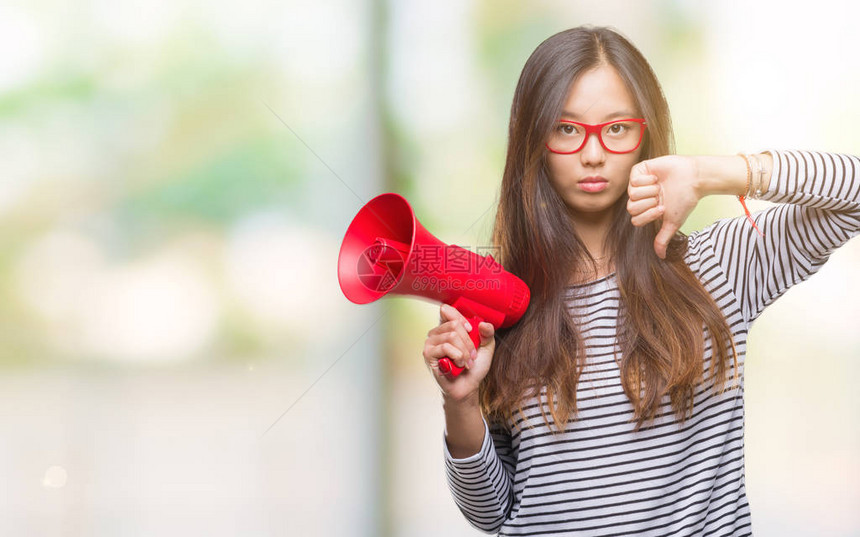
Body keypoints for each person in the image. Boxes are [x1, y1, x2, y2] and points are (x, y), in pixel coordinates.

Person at [421, 25, 860, 536]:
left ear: (645, 135)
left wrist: (710, 173)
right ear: (534, 142)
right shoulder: (506, 304)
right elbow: (490, 512)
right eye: (566, 129)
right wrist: (462, 403)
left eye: (616, 128)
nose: (592, 154)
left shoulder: (719, 268)